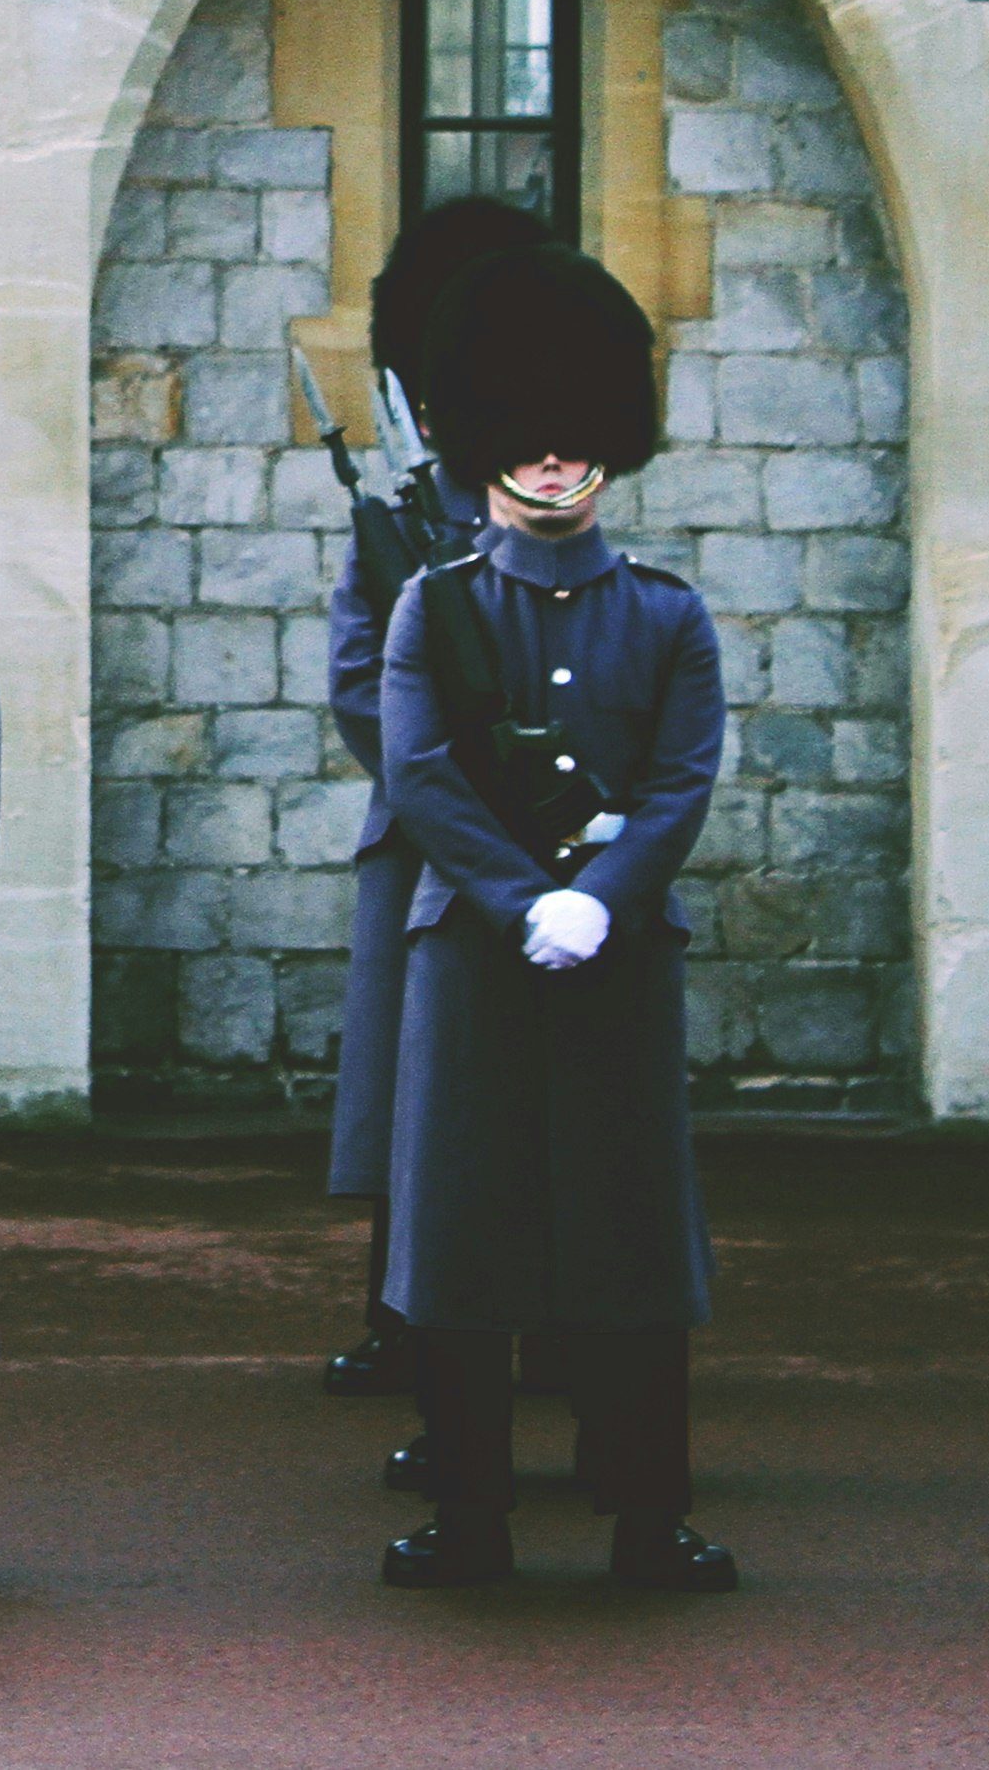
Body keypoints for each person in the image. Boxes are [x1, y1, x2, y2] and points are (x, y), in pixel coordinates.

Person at [375, 244, 738, 1592]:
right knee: (468, 1236)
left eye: (573, 436)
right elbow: (418, 772)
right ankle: (469, 1512)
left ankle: (652, 1515)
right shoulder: (438, 605)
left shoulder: (665, 612)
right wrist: (528, 899)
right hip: (475, 956)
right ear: (486, 445)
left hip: (618, 959)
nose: (548, 460)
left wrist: (604, 897)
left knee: (630, 1238)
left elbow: (680, 774)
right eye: (522, 437)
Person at [322, 194, 553, 1466]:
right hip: (423, 847)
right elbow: (362, 679)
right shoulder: (397, 517)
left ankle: (566, 1324)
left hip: (557, 850)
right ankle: (403, 1322)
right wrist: (448, 789)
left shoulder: (547, 495)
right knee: (419, 1098)